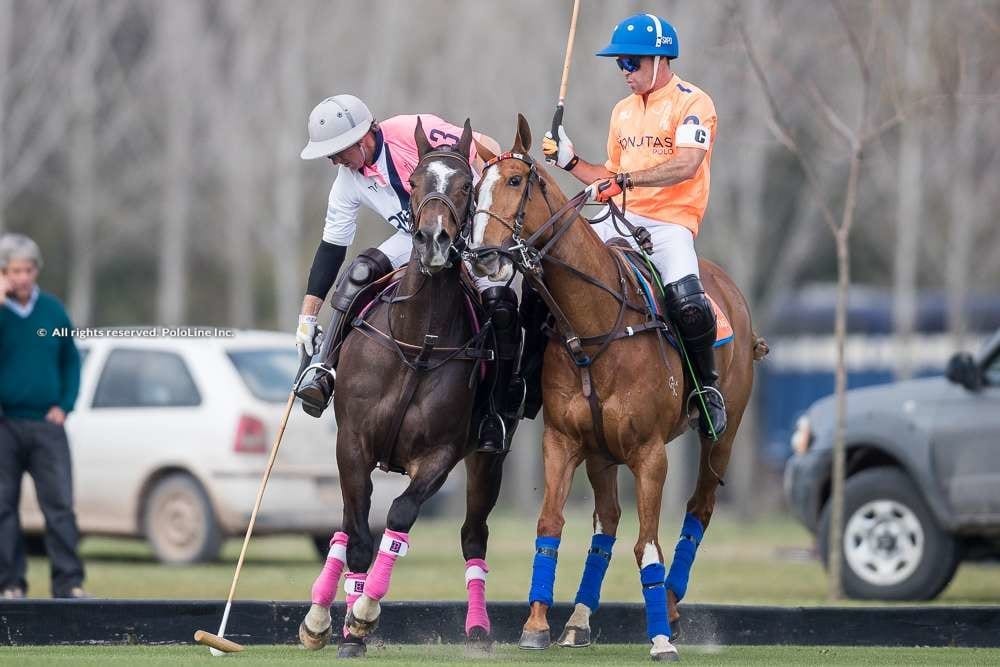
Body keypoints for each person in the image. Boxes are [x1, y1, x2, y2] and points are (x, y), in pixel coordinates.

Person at [293, 94, 521, 453]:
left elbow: (487, 145)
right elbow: (331, 249)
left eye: (337, 150)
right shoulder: (347, 180)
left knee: (501, 304)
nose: (333, 159)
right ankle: (323, 370)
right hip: (414, 239)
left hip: (468, 230)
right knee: (359, 271)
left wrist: (489, 171)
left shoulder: (408, 131)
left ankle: (496, 410)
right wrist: (308, 315)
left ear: (364, 137)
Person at [541, 13, 727, 438]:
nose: (624, 71)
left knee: (689, 302)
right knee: (552, 273)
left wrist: (627, 180)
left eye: (631, 62)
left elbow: (687, 163)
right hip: (617, 217)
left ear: (660, 59)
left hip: (669, 222)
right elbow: (608, 175)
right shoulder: (622, 112)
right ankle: (525, 382)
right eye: (619, 63)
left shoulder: (693, 103)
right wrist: (570, 161)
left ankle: (706, 389)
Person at [0, 234, 88, 598]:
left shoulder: (52, 311)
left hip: (46, 425)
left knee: (60, 507)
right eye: (14, 270)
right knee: (3, 507)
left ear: (36, 271)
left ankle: (69, 583)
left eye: (28, 269)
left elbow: (71, 360)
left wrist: (64, 405)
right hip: (4, 424)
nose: (22, 277)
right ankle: (10, 583)